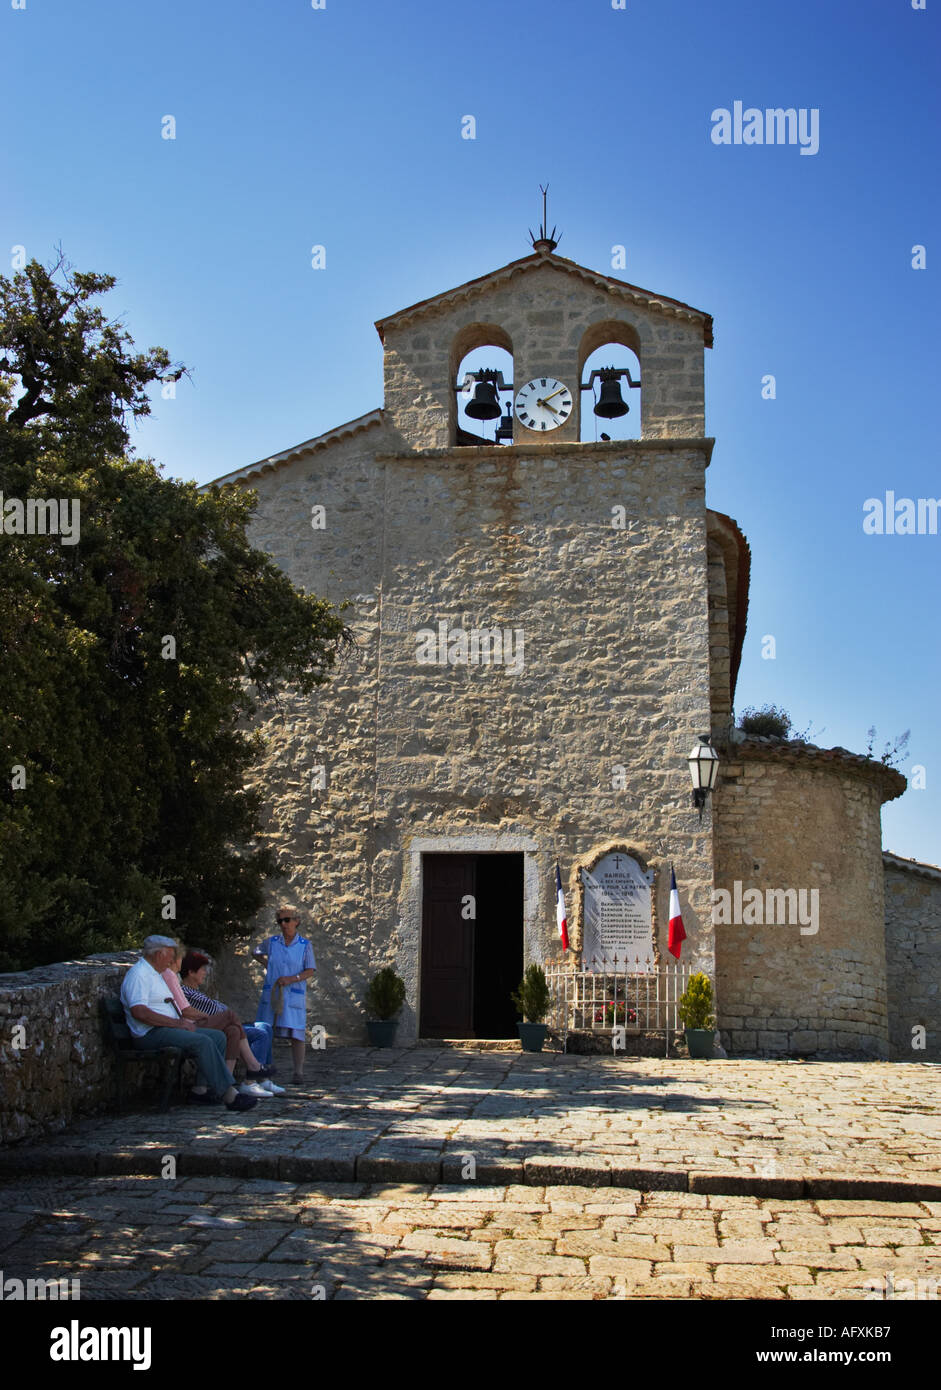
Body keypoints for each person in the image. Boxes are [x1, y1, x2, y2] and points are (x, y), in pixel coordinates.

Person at [119, 935, 257, 1113]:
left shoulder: (155, 974)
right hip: (150, 1033)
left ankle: (201, 1090)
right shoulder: (140, 975)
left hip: (165, 1029)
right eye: (170, 954)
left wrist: (179, 1023)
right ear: (158, 954)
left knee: (218, 1037)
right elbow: (140, 1012)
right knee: (202, 1041)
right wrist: (177, 1024)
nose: (172, 959)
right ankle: (229, 1095)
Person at [177, 950, 284, 1096]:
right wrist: (226, 1016)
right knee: (259, 1034)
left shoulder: (197, 992)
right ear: (191, 972)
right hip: (218, 1025)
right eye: (202, 969)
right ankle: (251, 1079)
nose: (205, 973)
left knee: (265, 1027)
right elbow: (215, 1013)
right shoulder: (186, 992)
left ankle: (263, 1080)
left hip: (227, 1023)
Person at [254, 907, 316, 1084]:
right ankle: (261, 1068)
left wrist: (292, 979)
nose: (283, 924)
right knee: (265, 1031)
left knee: (296, 1034)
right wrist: (269, 966)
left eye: (287, 920)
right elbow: (255, 952)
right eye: (280, 921)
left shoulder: (304, 945)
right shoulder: (272, 942)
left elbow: (310, 970)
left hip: (293, 994)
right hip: (273, 993)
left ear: (296, 921)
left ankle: (298, 1072)